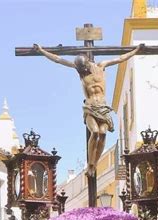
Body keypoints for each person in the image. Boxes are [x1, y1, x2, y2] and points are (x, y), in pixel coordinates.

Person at [33, 43, 144, 177]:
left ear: (88, 63)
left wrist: (136, 50)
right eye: (81, 69)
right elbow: (58, 59)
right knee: (95, 132)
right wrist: (42, 50)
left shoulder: (101, 66)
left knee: (103, 133)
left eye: (84, 67)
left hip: (103, 108)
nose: (83, 71)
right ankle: (90, 164)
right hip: (90, 108)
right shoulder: (80, 71)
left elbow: (120, 58)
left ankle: (94, 163)